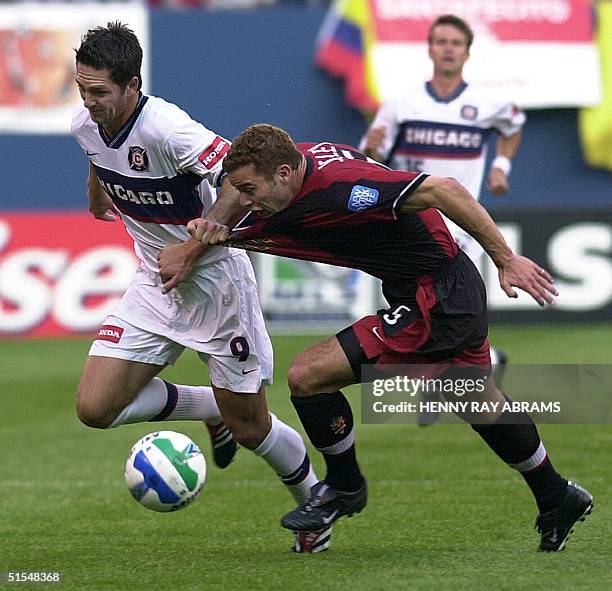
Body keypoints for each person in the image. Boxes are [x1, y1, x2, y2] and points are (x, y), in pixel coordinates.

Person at [188, 123, 593, 553]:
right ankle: (556, 497)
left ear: (284, 173)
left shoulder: (346, 188)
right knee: (475, 400)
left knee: (308, 375)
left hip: (436, 300)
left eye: (251, 190)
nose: (245, 201)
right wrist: (215, 223)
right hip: (434, 288)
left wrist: (505, 259)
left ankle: (345, 486)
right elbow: (235, 191)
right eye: (241, 190)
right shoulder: (292, 162)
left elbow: (444, 189)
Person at [70, 23, 329, 553]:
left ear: (132, 86)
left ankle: (313, 504)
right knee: (95, 408)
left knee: (253, 426)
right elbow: (98, 154)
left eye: (100, 92)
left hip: (216, 285)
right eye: (82, 89)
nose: (89, 102)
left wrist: (192, 249)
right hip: (154, 282)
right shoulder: (85, 122)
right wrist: (99, 194)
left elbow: (237, 176)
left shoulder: (167, 128)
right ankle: (210, 408)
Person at [360, 14, 523, 419]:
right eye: (441, 41)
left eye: (455, 42)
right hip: (411, 226)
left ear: (467, 52)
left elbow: (513, 125)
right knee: (425, 313)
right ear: (430, 49)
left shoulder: (488, 103)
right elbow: (370, 159)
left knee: (444, 311)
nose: (448, 48)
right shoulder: (402, 104)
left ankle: (439, 384)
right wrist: (375, 149)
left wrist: (502, 165)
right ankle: (464, 374)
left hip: (461, 227)